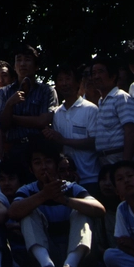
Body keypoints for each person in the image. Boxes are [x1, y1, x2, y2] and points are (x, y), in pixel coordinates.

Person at [8, 138, 105, 267]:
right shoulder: (27, 190)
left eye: (48, 162)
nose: (44, 167)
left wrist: (65, 200)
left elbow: (99, 209)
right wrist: (44, 195)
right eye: (37, 163)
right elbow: (13, 212)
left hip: (76, 257)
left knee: (82, 211)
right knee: (28, 213)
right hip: (45, 257)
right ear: (31, 169)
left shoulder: (71, 188)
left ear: (55, 165)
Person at [45, 63, 100, 193]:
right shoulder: (57, 113)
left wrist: (63, 140)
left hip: (90, 177)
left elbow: (95, 142)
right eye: (60, 80)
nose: (64, 83)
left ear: (78, 83)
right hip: (67, 181)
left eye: (68, 79)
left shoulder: (90, 109)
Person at [0, 45, 59, 156]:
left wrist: (12, 117)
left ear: (36, 66)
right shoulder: (3, 92)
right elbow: (2, 124)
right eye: (19, 60)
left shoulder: (47, 91)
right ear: (14, 66)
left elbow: (43, 121)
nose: (22, 64)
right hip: (14, 148)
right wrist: (9, 104)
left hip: (40, 147)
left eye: (27, 60)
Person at [91, 58, 134, 167]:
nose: (96, 76)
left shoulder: (120, 97)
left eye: (100, 72)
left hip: (119, 158)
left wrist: (126, 163)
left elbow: (130, 130)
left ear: (113, 76)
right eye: (94, 73)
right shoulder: (101, 101)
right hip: (104, 160)